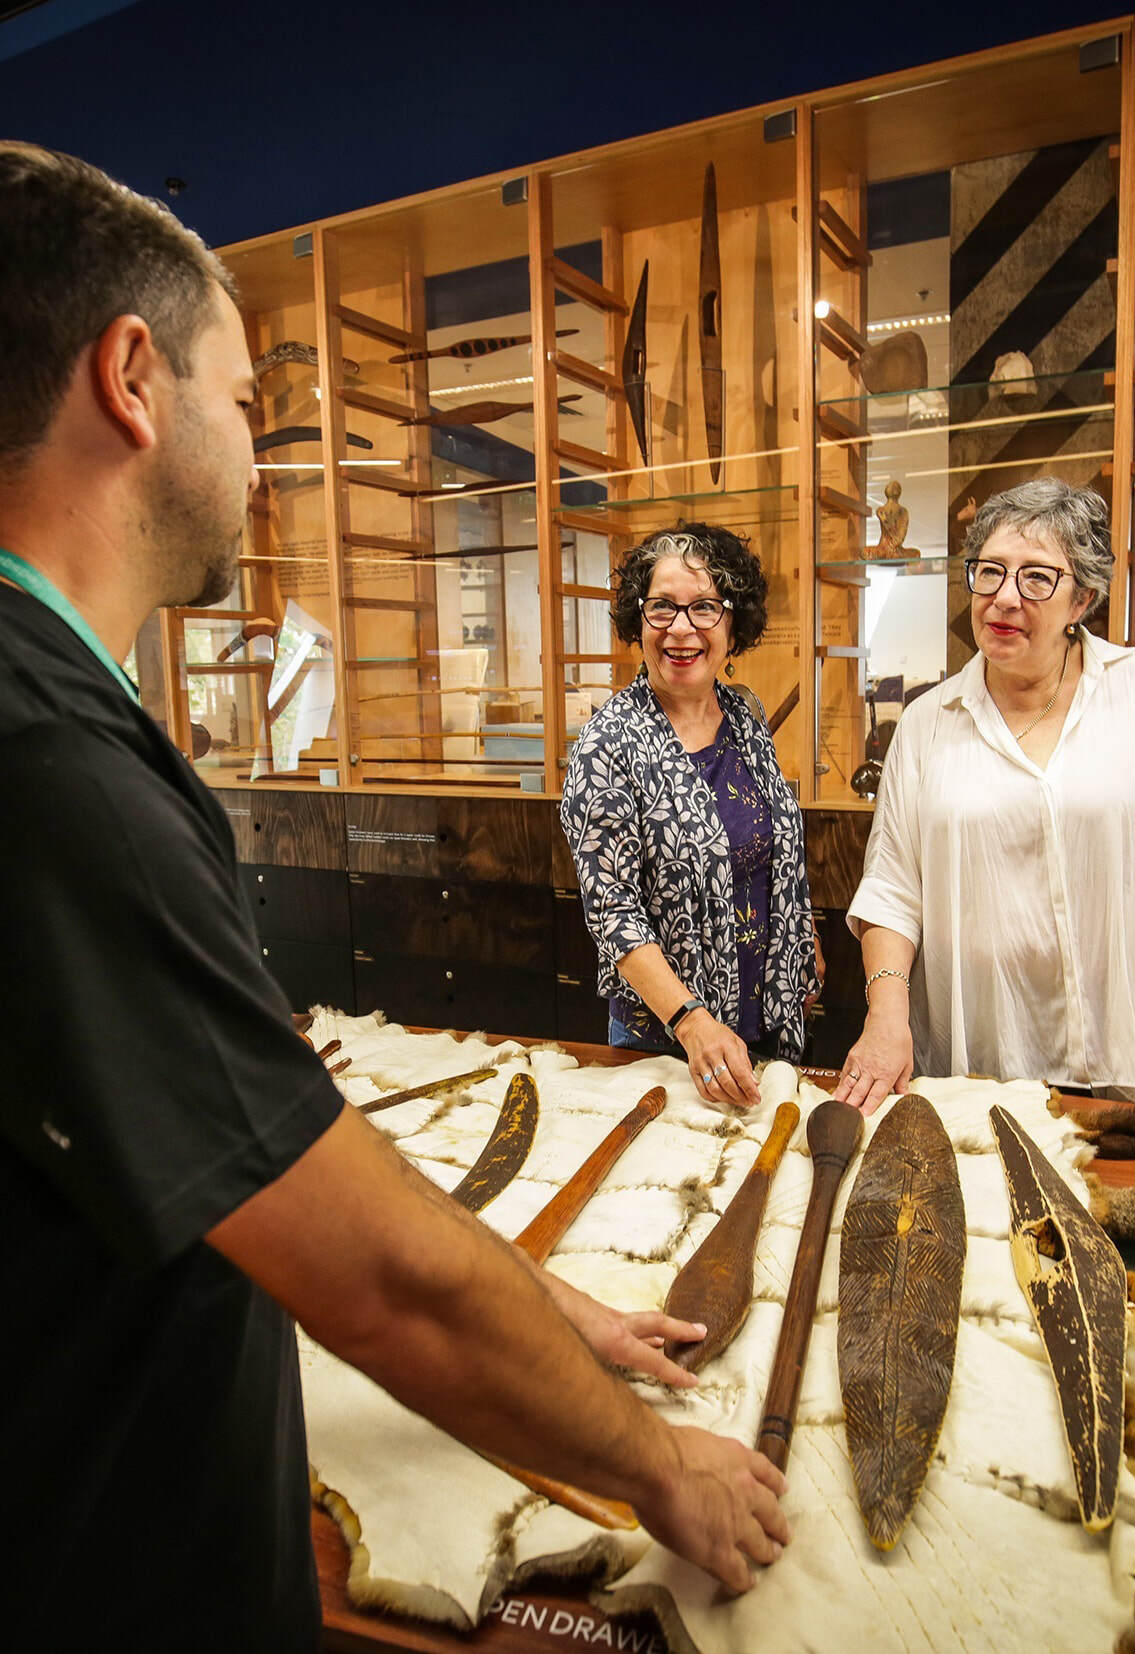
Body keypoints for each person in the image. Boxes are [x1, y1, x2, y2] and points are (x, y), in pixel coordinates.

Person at [0, 145, 790, 1652]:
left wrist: (558, 1315)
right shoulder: (45, 754)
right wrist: (652, 1466)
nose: (255, 450)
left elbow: (272, 1141)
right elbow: (368, 1275)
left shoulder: (58, 717)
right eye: (244, 404)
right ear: (131, 379)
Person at [834, 478, 1135, 1116]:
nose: (1004, 598)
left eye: (1036, 578)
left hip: (1125, 1058)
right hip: (977, 1063)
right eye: (990, 573)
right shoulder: (928, 723)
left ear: (1081, 599)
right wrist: (886, 1017)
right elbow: (893, 889)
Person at [561, 523, 821, 1110]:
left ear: (734, 624)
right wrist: (690, 1021)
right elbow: (613, 914)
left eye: (704, 607)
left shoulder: (745, 715)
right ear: (638, 620)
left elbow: (772, 842)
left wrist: (804, 941)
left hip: (768, 1019)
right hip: (669, 1048)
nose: (681, 629)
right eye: (662, 609)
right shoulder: (608, 746)